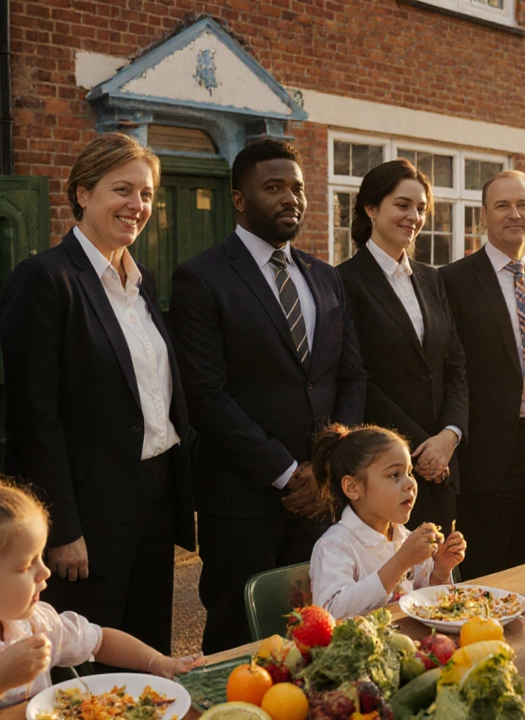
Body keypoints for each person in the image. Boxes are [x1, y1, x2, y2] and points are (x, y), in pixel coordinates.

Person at [0, 132, 193, 656]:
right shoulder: (45, 279)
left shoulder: (142, 281)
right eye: (122, 190)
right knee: (85, 656)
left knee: (147, 645)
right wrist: (61, 527)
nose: (137, 206)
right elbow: (32, 416)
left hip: (153, 494)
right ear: (83, 193)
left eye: (147, 194)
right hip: (89, 507)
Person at [169, 139, 366, 652]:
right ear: (239, 198)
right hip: (242, 499)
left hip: (321, 498)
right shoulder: (201, 278)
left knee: (318, 631)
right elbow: (205, 395)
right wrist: (285, 471)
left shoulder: (325, 278)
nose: (290, 199)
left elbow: (351, 377)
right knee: (239, 639)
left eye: (297, 188)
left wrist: (327, 466)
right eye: (273, 187)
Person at [0, 468, 202, 720]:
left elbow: (100, 640)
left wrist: (159, 663)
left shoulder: (30, 622)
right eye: (24, 567)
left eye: (40, 558)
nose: (44, 573)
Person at [439, 170, 525, 580]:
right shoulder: (454, 280)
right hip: (490, 451)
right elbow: (452, 370)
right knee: (486, 570)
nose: (513, 214)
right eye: (502, 205)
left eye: (523, 205)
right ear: (484, 214)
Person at [336, 159, 469, 530]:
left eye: (422, 208)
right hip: (384, 470)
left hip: (443, 464)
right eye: (402, 204)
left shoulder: (432, 279)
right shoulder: (343, 282)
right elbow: (358, 377)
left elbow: (455, 365)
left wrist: (449, 436)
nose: (414, 216)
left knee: (440, 578)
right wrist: (421, 447)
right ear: (371, 208)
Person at [308, 425, 467, 619]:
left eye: (410, 473)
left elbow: (427, 606)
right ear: (352, 487)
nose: (410, 484)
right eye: (394, 475)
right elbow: (330, 614)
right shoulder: (334, 546)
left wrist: (441, 570)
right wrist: (399, 563)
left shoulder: (405, 538)